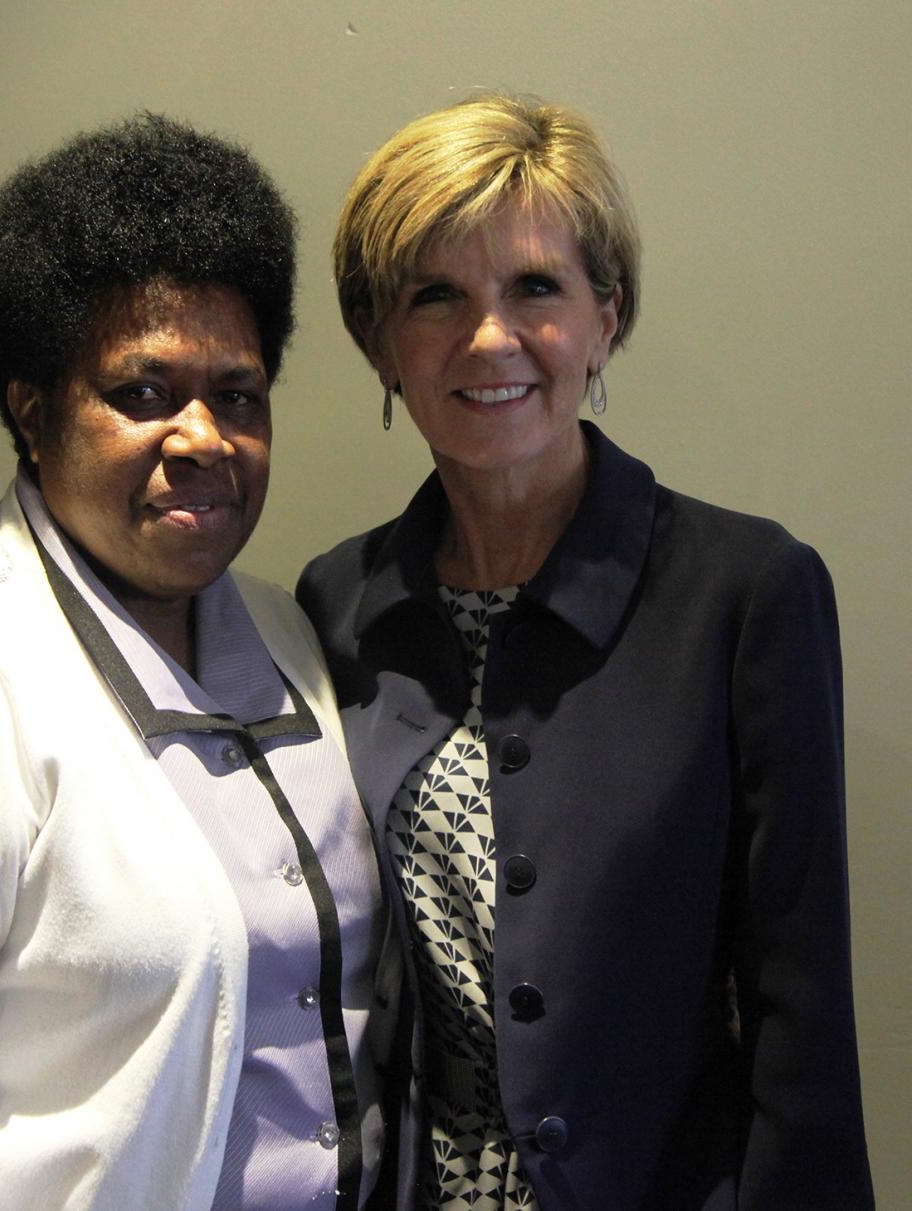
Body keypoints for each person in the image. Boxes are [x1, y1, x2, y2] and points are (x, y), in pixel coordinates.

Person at [0, 114, 396, 1211]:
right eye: (143, 392)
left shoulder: (288, 636)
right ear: (32, 410)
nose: (203, 434)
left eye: (238, 393)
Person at [296, 93, 873, 1210]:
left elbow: (803, 1025)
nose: (488, 337)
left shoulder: (747, 593)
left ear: (607, 315)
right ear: (381, 343)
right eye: (435, 297)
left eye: (536, 288)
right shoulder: (339, 602)